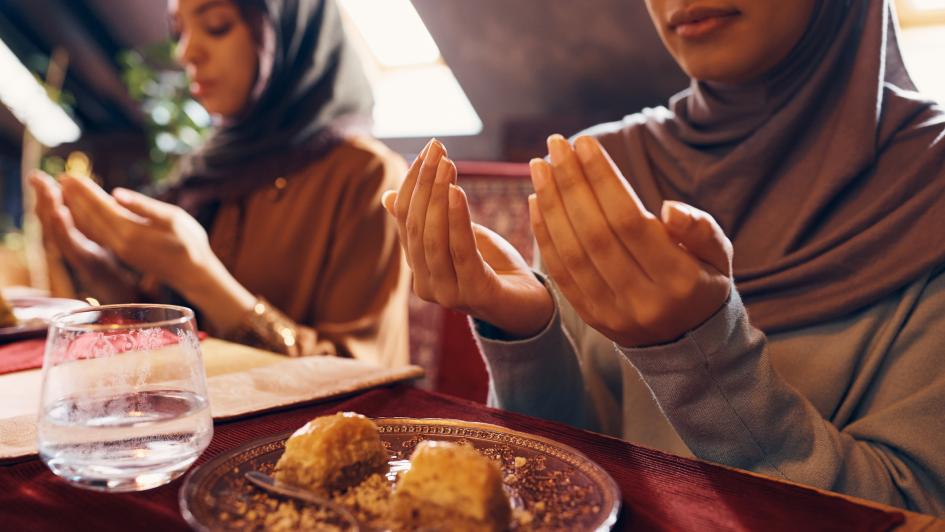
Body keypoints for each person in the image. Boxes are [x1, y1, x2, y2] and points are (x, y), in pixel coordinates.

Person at [384, 0, 945, 514]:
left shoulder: (928, 186)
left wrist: (705, 355)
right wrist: (527, 331)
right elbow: (570, 482)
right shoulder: (610, 163)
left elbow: (913, 508)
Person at [30, 0, 409, 367]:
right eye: (179, 32)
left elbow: (361, 374)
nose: (186, 53)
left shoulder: (368, 176)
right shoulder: (212, 168)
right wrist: (98, 273)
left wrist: (199, 275)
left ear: (286, 31)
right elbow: (173, 335)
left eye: (217, 26)